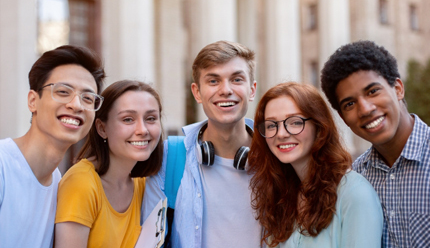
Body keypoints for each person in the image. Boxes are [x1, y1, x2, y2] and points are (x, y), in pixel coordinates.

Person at [142, 40, 260, 248]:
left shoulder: (277, 157)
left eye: (237, 79)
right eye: (213, 81)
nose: (226, 90)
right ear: (197, 92)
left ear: (252, 90)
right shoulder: (169, 157)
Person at [320, 40, 430, 247]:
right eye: (349, 104)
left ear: (398, 89)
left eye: (373, 91)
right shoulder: (355, 179)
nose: (365, 109)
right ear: (343, 118)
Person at [248, 82, 383, 248]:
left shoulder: (354, 194)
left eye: (295, 122)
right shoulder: (279, 195)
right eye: (271, 125)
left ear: (319, 127)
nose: (281, 134)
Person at [0, 45, 105, 247]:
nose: (76, 105)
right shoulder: (3, 166)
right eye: (63, 92)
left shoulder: (60, 184)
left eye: (88, 98)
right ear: (33, 101)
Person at [54, 80, 163, 248]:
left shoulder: (145, 183)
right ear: (102, 128)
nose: (143, 130)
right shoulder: (82, 184)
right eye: (128, 119)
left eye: (150, 118)